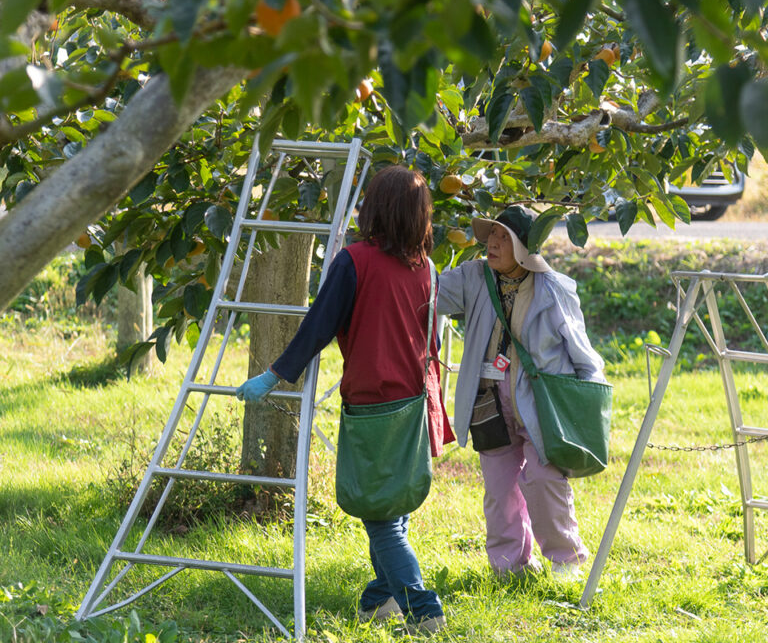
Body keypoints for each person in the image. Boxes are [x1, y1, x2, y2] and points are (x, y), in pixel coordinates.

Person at [236, 166, 453, 633]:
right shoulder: (426, 268)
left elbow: (319, 324)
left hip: (373, 401)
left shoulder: (354, 261)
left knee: (377, 512)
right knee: (392, 503)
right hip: (415, 399)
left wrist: (276, 375)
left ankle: (423, 608)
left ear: (374, 208)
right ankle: (380, 599)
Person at [437, 205, 607, 578]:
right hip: (489, 399)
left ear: (524, 246)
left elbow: (582, 353)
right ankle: (509, 567)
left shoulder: (553, 290)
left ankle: (566, 561)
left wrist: (589, 404)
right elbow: (428, 293)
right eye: (491, 235)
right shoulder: (473, 278)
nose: (493, 244)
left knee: (544, 479)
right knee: (499, 490)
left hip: (541, 403)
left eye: (503, 237)